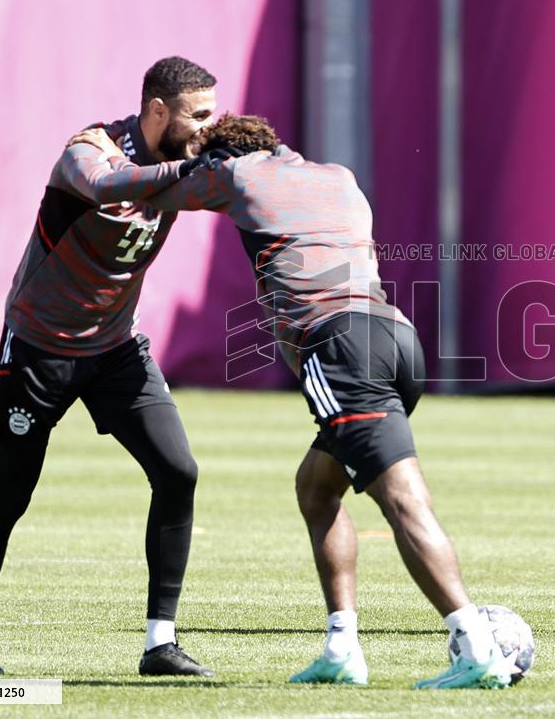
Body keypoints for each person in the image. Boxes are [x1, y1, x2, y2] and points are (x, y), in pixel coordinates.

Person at [76, 113, 515, 689]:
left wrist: (105, 159)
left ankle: (474, 644)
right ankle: (342, 650)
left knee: (402, 498)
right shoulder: (338, 175)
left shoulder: (235, 173)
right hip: (396, 338)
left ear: (224, 154)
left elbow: (151, 192)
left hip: (338, 350)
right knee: (317, 487)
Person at [0, 57, 219, 677]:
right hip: (40, 349)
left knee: (178, 472)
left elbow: (236, 190)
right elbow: (103, 186)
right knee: (9, 495)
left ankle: (160, 645)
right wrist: (189, 169)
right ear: (159, 112)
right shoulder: (88, 149)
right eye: (198, 115)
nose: (209, 126)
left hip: (113, 350)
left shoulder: (184, 158)